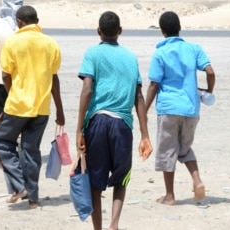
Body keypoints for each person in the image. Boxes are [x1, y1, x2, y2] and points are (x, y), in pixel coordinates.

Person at [75, 11, 153, 230]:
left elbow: (87, 90)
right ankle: (114, 224)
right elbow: (139, 97)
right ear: (120, 31)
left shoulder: (92, 53)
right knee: (122, 177)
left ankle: (98, 228)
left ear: (99, 31)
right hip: (122, 124)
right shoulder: (130, 57)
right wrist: (145, 134)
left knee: (94, 181)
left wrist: (80, 129)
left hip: (97, 122)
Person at [0, 5, 65, 209]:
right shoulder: (51, 43)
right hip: (42, 107)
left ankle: (18, 185)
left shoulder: (13, 41)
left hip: (18, 105)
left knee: (0, 141)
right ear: (37, 20)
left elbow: (5, 75)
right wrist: (60, 109)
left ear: (19, 22)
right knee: (31, 150)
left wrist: (12, 93)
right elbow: (54, 78)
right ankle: (32, 200)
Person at [145, 11, 215, 205]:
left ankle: (170, 196)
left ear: (162, 32)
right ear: (179, 28)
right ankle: (197, 180)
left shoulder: (160, 52)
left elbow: (154, 84)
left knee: (167, 150)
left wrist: (144, 108)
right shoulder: (194, 48)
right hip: (191, 108)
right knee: (185, 149)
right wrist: (208, 91)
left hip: (168, 108)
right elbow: (210, 71)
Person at [0, 0, 23, 131]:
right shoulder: (27, 25)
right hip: (24, 80)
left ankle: (2, 146)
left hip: (1, 78)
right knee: (19, 117)